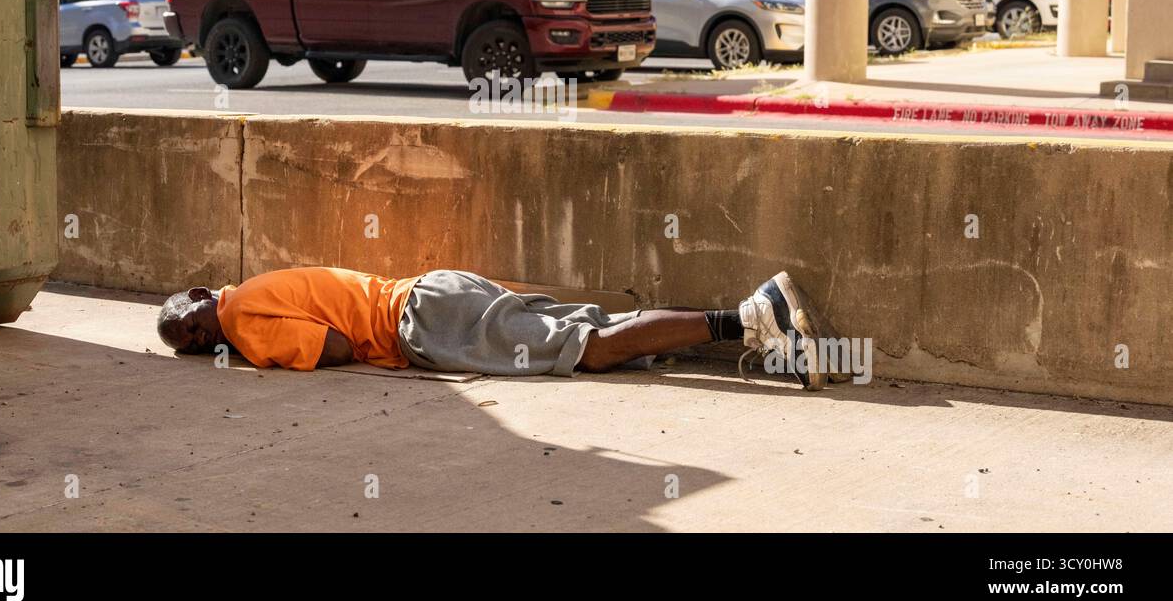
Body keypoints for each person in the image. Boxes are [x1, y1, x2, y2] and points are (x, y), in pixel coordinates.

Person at [157, 267, 836, 389]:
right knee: (594, 330)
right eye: (190, 345)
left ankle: (750, 317)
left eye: (187, 328)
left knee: (589, 350)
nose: (197, 340)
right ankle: (766, 324)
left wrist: (257, 357)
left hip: (422, 323)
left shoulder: (240, 316)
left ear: (199, 298)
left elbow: (333, 347)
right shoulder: (257, 287)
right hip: (433, 291)